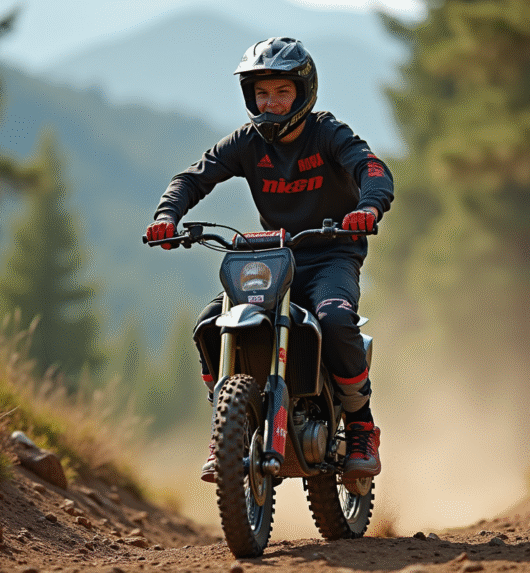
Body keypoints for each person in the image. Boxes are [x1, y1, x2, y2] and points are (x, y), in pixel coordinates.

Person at [145, 37, 394, 483]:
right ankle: (228, 424)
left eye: (282, 91)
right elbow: (192, 178)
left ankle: (360, 425)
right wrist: (168, 216)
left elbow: (370, 168)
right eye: (261, 93)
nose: (271, 103)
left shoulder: (328, 133)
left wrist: (367, 208)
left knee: (335, 318)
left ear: (303, 91)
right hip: (275, 257)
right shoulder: (248, 142)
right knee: (208, 325)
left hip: (332, 252)